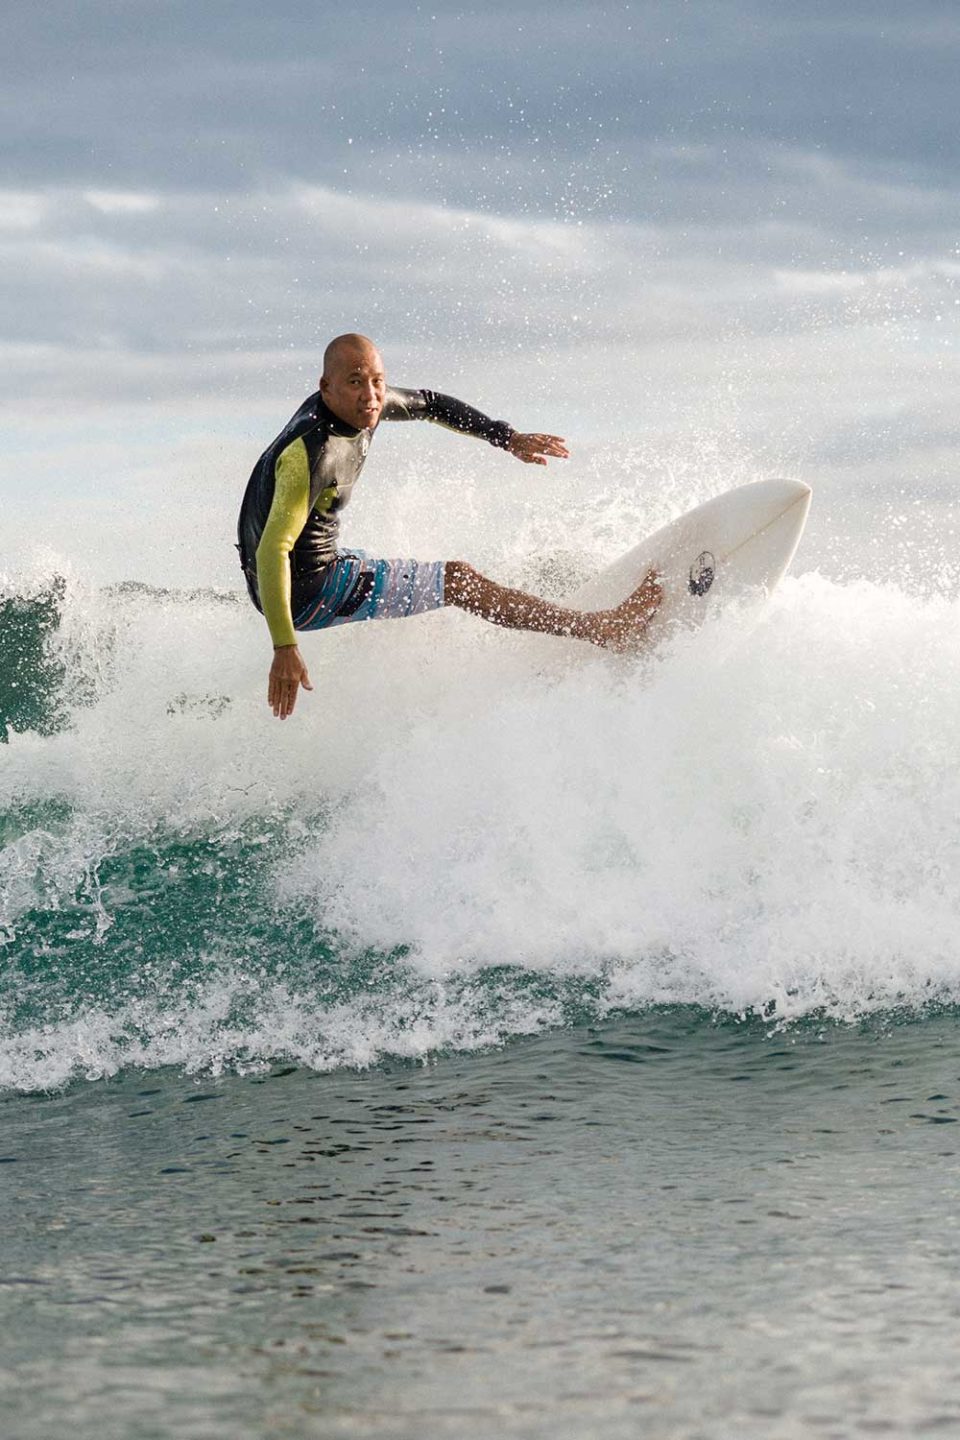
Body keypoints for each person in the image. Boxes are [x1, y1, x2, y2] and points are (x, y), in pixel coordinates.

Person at [237, 334, 661, 719]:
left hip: (313, 567)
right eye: (354, 382)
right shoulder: (312, 454)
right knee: (458, 580)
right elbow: (273, 550)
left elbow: (431, 404)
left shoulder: (364, 405)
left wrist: (506, 437)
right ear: (325, 386)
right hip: (306, 592)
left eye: (378, 381)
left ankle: (444, 672)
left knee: (423, 581)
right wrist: (284, 646)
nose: (370, 395)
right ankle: (606, 629)